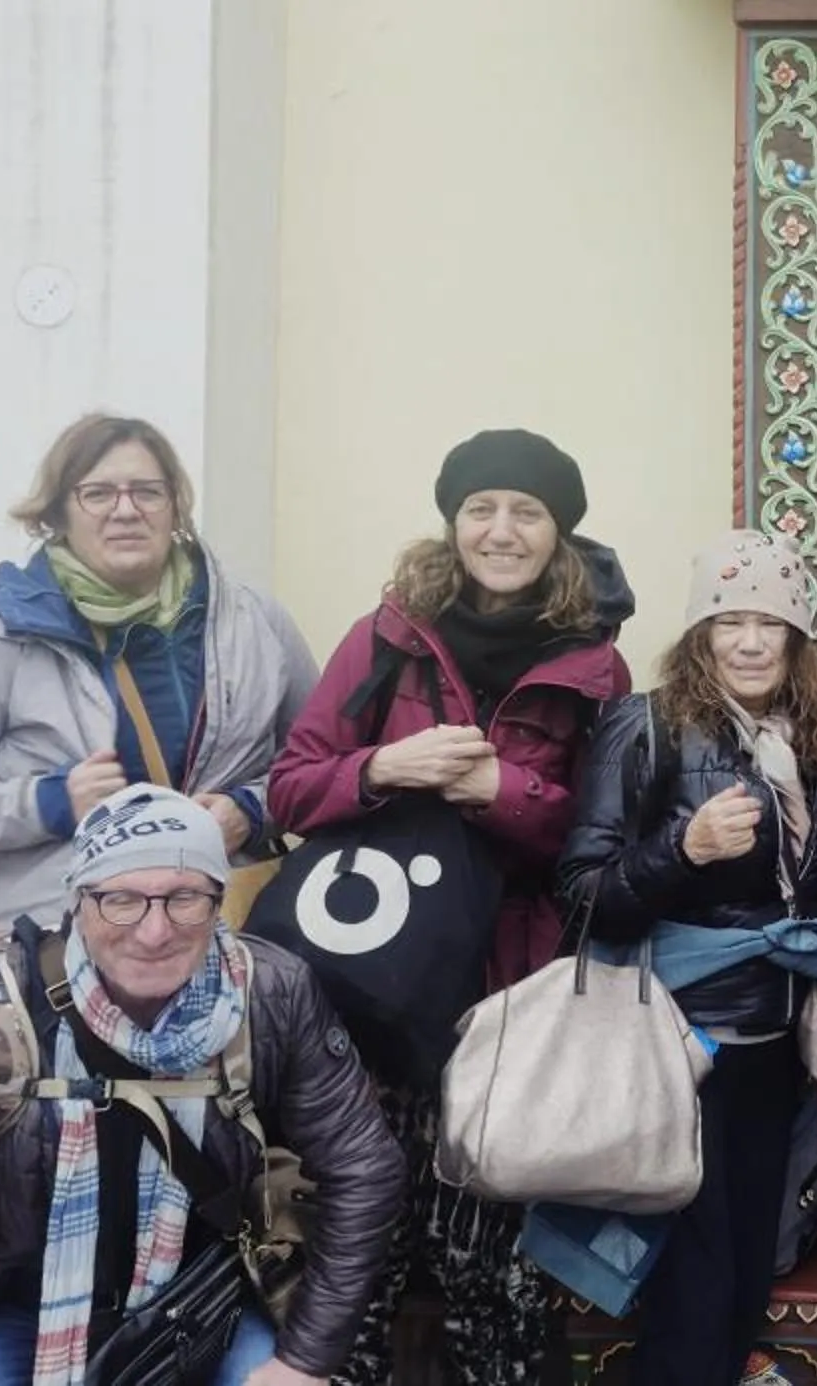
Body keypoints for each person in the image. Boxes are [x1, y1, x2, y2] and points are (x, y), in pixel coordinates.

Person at [0, 784, 405, 1386]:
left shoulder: (269, 994)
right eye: (121, 899)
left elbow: (365, 1169)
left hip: (196, 1301)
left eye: (185, 897)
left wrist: (305, 1360)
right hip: (2, 1306)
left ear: (219, 900)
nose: (154, 930)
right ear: (78, 902)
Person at [262, 428, 636, 1384]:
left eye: (526, 512)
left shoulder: (595, 669)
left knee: (489, 1265)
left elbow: (601, 843)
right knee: (359, 1245)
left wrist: (500, 792)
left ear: (559, 534)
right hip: (372, 984)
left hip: (505, 996)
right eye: (481, 508)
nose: (500, 530)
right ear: (452, 521)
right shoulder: (384, 638)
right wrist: (382, 767)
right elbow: (290, 790)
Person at [556, 529, 817, 1386]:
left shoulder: (805, 743)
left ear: (795, 638)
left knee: (744, 1276)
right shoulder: (648, 726)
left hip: (771, 1051)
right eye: (727, 621)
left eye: (768, 623)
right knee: (693, 1288)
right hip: (675, 1048)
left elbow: (807, 905)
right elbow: (582, 894)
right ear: (699, 633)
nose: (747, 641)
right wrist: (682, 849)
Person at [0, 414, 318, 934]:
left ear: (176, 508)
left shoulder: (255, 623)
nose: (126, 510)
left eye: (147, 492)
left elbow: (321, 768)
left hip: (215, 939)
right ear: (58, 512)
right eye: (97, 494)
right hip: (50, 952)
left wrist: (250, 811)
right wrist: (48, 803)